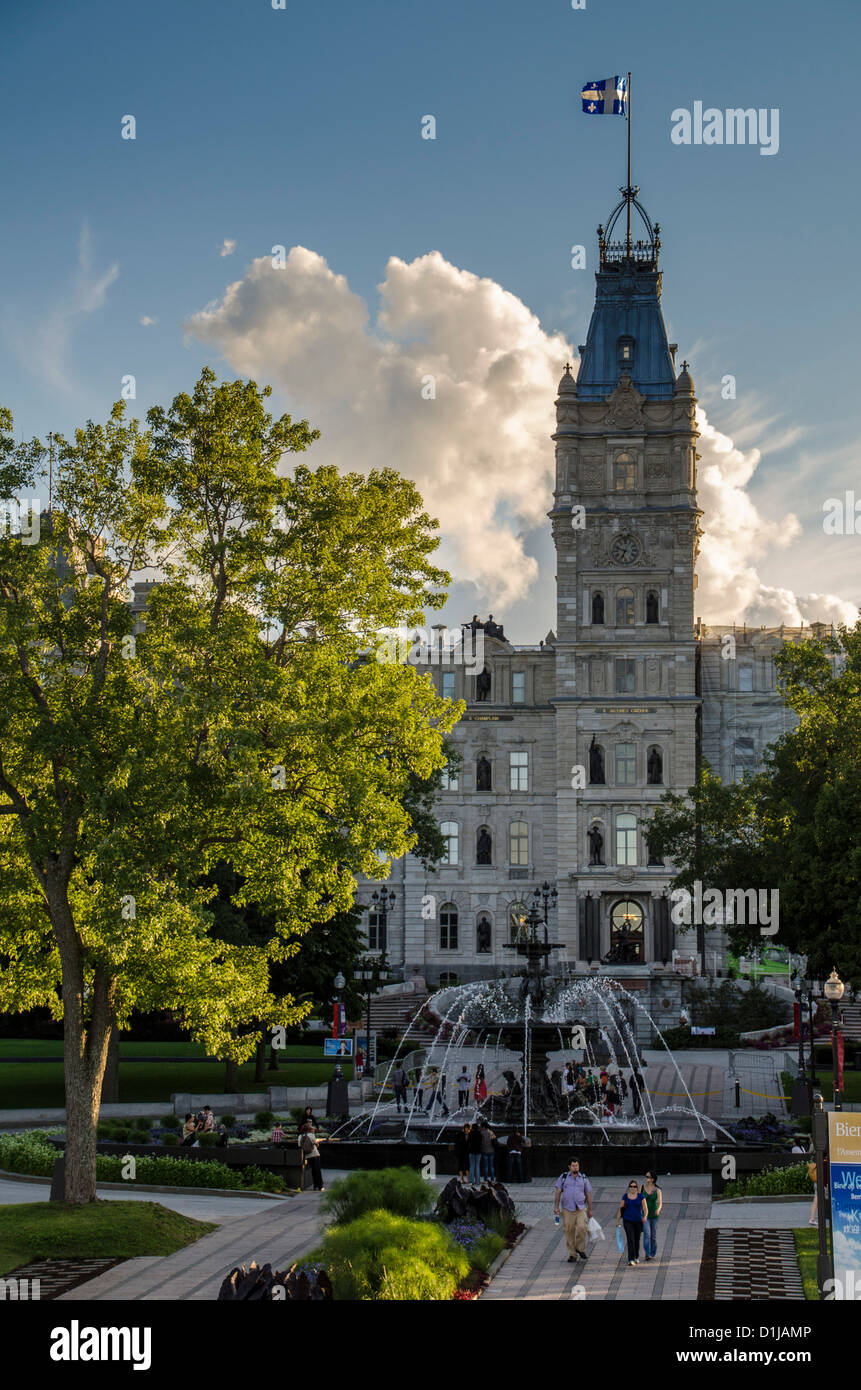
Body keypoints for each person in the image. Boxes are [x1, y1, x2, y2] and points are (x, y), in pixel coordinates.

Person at [553, 1158, 594, 1263]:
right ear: (569, 1167)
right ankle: (572, 1254)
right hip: (567, 1209)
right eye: (573, 1166)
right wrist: (556, 1207)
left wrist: (590, 1209)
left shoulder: (583, 1178)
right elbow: (558, 1191)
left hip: (580, 1208)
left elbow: (588, 1194)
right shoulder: (564, 1177)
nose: (575, 1167)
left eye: (577, 1165)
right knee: (569, 1231)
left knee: (582, 1228)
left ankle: (580, 1248)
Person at [617, 1179, 648, 1265]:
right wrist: (618, 1221)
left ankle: (636, 1256)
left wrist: (645, 1216)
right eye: (631, 1186)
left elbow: (645, 1208)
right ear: (629, 1188)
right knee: (630, 1239)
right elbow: (620, 1209)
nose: (632, 1188)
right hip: (627, 1220)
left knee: (636, 1239)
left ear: (637, 1188)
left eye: (634, 1187)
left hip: (638, 1221)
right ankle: (631, 1259)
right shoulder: (625, 1197)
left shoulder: (641, 1196)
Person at [642, 1171, 662, 1260]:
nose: (646, 1178)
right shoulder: (642, 1188)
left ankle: (653, 1252)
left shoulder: (657, 1190)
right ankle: (647, 1253)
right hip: (645, 1215)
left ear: (652, 1179)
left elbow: (660, 1202)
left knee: (653, 1236)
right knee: (647, 1234)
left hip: (654, 1216)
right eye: (646, 1176)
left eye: (648, 1177)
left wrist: (658, 1210)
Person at [299, 1123, 324, 1191]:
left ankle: (315, 1186)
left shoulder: (300, 1136)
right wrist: (318, 1142)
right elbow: (316, 1144)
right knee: (317, 1171)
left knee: (312, 1171)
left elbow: (299, 1145)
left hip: (307, 1156)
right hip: (315, 1154)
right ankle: (320, 1186)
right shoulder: (311, 1135)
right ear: (309, 1129)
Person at [467, 1118, 483, 1184]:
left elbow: (468, 1142)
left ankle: (471, 1181)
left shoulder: (470, 1134)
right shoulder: (479, 1134)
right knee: (477, 1166)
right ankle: (478, 1181)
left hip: (471, 1151)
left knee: (471, 1166)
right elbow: (481, 1142)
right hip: (478, 1151)